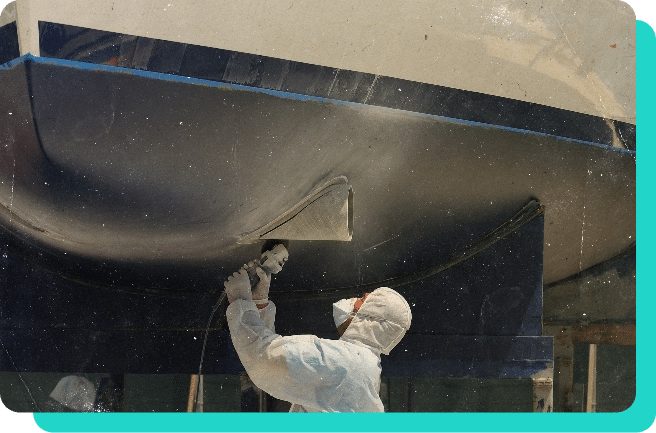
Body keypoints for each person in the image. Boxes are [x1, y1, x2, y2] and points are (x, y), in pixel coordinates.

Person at [224, 256, 412, 412]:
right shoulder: (366, 368)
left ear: (371, 316)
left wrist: (240, 303)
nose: (354, 300)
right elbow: (276, 363)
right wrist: (260, 305)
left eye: (362, 300)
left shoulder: (341, 361)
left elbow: (266, 361)